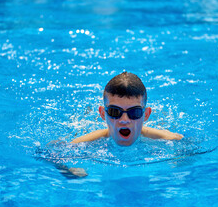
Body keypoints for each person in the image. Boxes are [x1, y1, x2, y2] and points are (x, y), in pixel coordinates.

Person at [47, 71, 183, 177]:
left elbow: (188, 150)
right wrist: (68, 171)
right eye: (114, 111)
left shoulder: (169, 139)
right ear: (102, 114)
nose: (124, 119)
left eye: (134, 112)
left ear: (146, 115)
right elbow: (51, 152)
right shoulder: (83, 142)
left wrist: (179, 164)